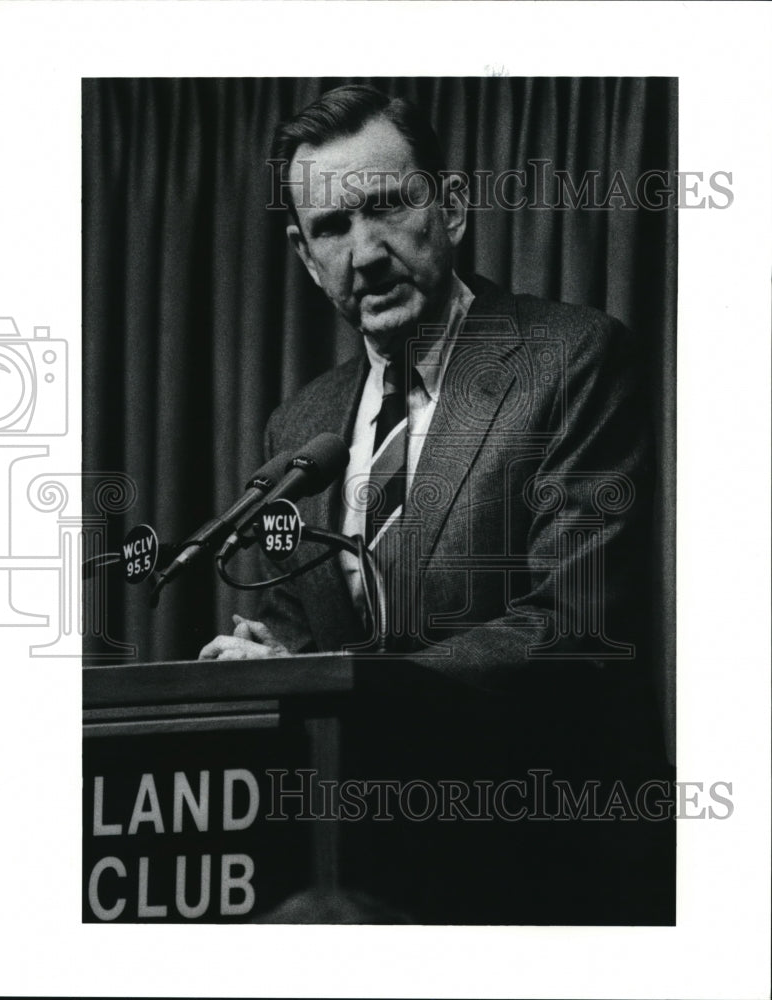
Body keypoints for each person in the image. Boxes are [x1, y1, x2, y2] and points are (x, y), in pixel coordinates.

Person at [199, 85, 672, 924]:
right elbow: (308, 631)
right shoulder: (301, 424)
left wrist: (340, 679)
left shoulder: (570, 360)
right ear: (306, 258)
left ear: (450, 207)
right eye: (333, 230)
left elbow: (567, 627)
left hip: (539, 878)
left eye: (386, 208)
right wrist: (271, 660)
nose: (366, 253)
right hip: (358, 875)